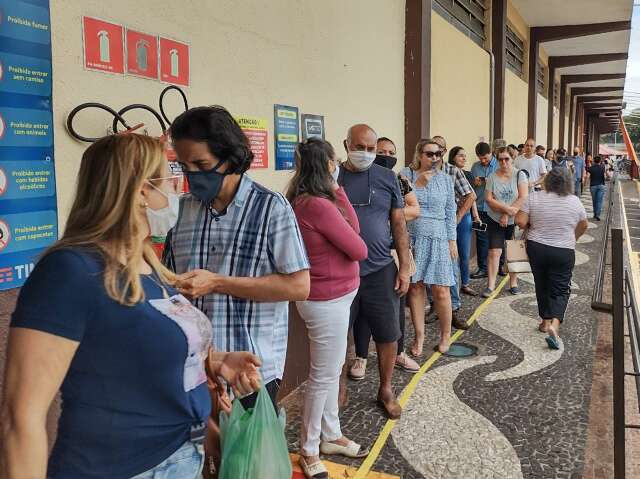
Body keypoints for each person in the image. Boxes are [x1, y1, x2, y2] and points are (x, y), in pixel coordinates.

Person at [0, 135, 262, 479]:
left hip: (181, 456)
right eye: (170, 178)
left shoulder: (147, 266)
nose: (178, 190)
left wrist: (213, 361)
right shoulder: (70, 270)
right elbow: (21, 417)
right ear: (140, 190)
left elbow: (126, 349)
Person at [164, 106, 311, 410]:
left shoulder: (271, 208)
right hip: (194, 368)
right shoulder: (180, 210)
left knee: (245, 458)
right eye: (184, 165)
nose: (193, 174)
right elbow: (167, 282)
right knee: (201, 455)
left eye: (201, 164)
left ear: (230, 158)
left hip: (251, 372)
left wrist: (217, 283)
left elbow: (298, 286)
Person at [287, 138, 369, 478]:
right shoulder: (316, 206)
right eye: (334, 161)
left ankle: (331, 435)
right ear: (328, 166)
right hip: (326, 300)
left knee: (332, 369)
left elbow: (355, 228)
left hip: (332, 297)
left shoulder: (309, 200)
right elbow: (359, 247)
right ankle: (308, 449)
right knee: (322, 376)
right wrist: (338, 190)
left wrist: (338, 191)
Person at [340, 124, 411, 420]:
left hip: (380, 269)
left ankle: (385, 389)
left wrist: (405, 265)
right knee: (339, 334)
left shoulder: (387, 178)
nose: (366, 154)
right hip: (340, 272)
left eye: (371, 149)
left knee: (388, 333)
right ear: (346, 145)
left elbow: (398, 223)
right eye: (360, 147)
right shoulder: (332, 177)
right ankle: (339, 387)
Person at [515, 168, 588, 349]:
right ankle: (555, 325)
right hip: (563, 250)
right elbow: (584, 224)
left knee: (542, 284)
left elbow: (520, 222)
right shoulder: (575, 201)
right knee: (561, 288)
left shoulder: (534, 197)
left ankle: (545, 322)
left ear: (547, 181)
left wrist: (533, 223)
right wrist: (574, 238)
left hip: (537, 248)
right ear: (568, 182)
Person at [401, 138, 458, 355]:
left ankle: (446, 335)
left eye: (438, 154)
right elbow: (397, 202)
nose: (435, 158)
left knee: (441, 290)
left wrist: (452, 241)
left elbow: (450, 212)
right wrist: (418, 185)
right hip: (413, 237)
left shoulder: (445, 179)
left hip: (439, 237)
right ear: (419, 155)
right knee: (416, 287)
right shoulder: (406, 174)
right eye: (429, 154)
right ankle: (420, 336)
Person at [371, 136, 421, 373]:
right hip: (369, 254)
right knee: (363, 313)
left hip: (395, 249)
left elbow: (415, 208)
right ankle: (361, 356)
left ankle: (399, 353)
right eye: (382, 151)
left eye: (392, 152)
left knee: (397, 306)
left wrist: (393, 214)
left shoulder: (398, 179)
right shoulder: (361, 177)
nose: (387, 156)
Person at [482, 147, 529, 297]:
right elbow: (488, 199)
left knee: (514, 251)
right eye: (500, 159)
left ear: (512, 158)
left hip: (515, 220)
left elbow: (522, 197)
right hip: (495, 218)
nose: (503, 162)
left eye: (506, 159)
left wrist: (507, 215)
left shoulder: (519, 175)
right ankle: (490, 286)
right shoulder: (492, 177)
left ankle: (513, 283)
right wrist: (505, 211)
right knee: (494, 251)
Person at [449, 146, 480, 297]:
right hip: (448, 216)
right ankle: (451, 285)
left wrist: (475, 215)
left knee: (464, 253)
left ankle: (465, 284)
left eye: (465, 156)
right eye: (460, 155)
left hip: (464, 217)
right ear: (453, 157)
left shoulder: (467, 174)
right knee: (450, 254)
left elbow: (471, 197)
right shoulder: (446, 171)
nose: (464, 158)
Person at [470, 141, 497, 279]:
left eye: (486, 158)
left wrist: (486, 180)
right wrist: (474, 182)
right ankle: (483, 268)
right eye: (481, 159)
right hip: (480, 208)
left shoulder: (499, 164)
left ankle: (500, 266)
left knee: (497, 238)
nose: (483, 161)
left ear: (491, 153)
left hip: (496, 208)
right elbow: (471, 187)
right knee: (481, 239)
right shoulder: (475, 167)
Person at [587, 155, 607, 221]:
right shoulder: (602, 168)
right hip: (601, 186)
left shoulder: (591, 168)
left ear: (594, 161)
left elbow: (587, 176)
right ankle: (597, 215)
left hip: (593, 186)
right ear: (600, 161)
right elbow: (605, 177)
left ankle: (595, 214)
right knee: (599, 201)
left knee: (594, 201)